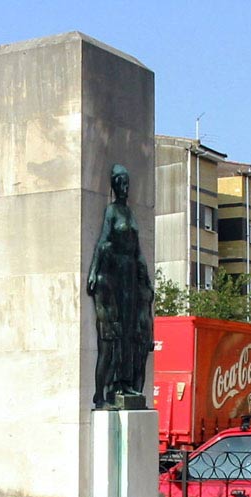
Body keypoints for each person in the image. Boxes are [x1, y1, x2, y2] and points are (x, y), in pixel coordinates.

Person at [86, 164, 154, 409]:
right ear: (114, 185)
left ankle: (126, 383)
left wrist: (145, 278)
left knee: (129, 332)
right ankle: (112, 386)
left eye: (127, 183)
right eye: (121, 183)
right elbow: (104, 241)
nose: (125, 188)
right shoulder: (112, 211)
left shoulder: (130, 213)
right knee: (117, 333)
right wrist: (94, 270)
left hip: (131, 275)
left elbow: (138, 250)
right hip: (117, 274)